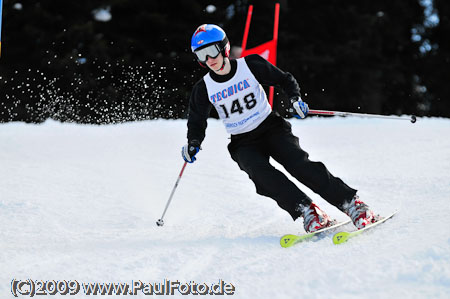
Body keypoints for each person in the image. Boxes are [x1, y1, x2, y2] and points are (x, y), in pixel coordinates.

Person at [182, 24, 377, 233]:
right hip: (242, 142)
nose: (209, 59)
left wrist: (295, 100)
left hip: (271, 128)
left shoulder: (250, 65)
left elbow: (285, 80)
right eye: (202, 55)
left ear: (224, 48)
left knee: (299, 165)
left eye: (212, 51)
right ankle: (308, 211)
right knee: (261, 175)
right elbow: (196, 121)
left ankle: (352, 204)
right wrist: (193, 143)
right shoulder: (203, 88)